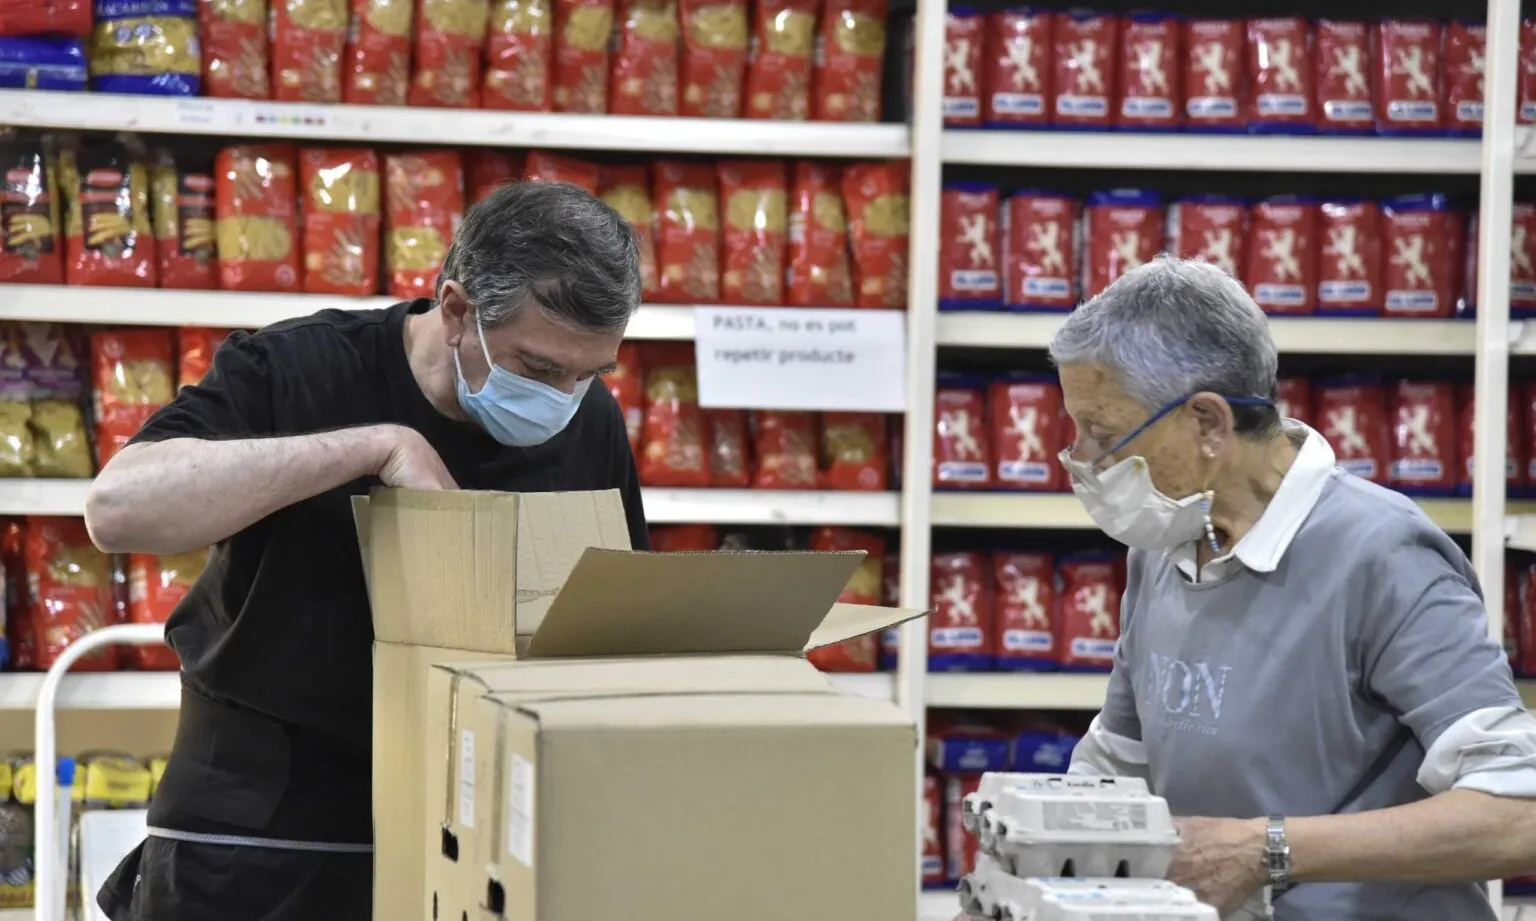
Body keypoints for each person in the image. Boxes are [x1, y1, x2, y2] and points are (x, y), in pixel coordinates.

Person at [82, 180, 650, 921]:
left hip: (469, 826)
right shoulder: (301, 367)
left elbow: (624, 620)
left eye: (591, 373)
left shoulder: (588, 420)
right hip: (258, 831)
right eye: (539, 368)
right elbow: (117, 509)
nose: (564, 397)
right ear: (455, 310)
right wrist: (375, 447)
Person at [1056, 257, 1536, 919]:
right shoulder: (1164, 542)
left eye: (1103, 435)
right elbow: (1119, 764)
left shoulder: (1382, 554)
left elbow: (1518, 813)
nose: (1082, 461)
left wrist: (1266, 847)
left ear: (1208, 423)